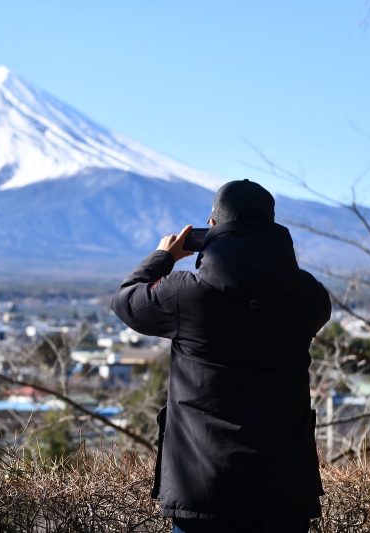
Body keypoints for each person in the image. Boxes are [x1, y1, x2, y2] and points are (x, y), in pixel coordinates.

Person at [111, 179, 330, 533]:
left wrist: (165, 257)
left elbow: (126, 301)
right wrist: (272, 260)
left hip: (202, 490)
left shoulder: (185, 296)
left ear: (212, 226)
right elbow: (303, 303)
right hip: (284, 491)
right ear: (272, 226)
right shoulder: (308, 296)